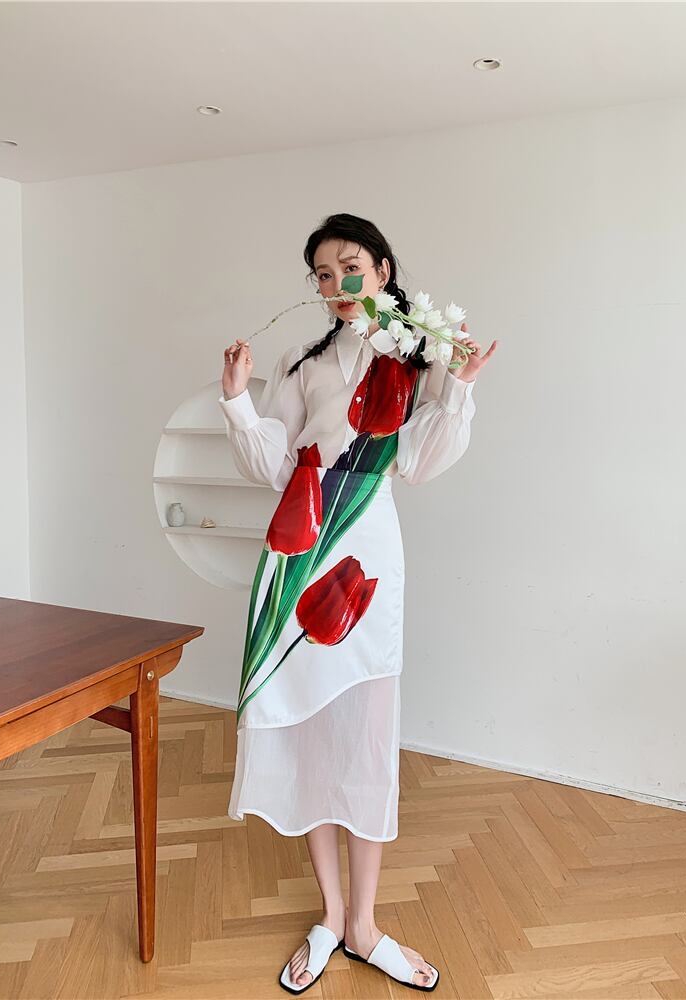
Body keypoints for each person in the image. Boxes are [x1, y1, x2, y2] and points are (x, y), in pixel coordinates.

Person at [219, 213, 496, 994]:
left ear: (381, 269)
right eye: (320, 273)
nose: (334, 283)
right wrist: (238, 402)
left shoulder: (418, 355)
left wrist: (459, 388)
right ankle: (333, 915)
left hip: (368, 552)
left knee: (367, 738)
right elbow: (278, 466)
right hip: (300, 546)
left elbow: (419, 459)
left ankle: (366, 926)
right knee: (310, 731)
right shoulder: (302, 361)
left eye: (348, 266)